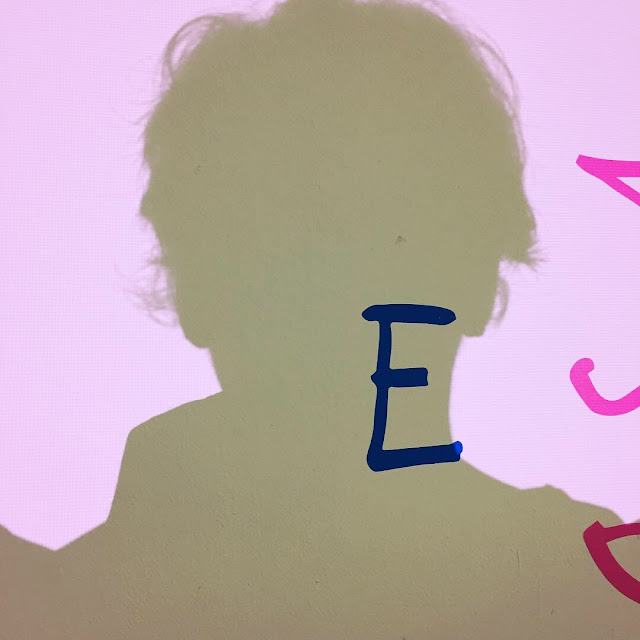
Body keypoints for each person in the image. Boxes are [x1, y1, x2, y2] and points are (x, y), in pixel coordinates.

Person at [2, 0, 639, 637]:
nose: (336, 284)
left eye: (380, 227)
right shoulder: (592, 589)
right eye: (287, 234)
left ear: (190, 284)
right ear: (478, 273)